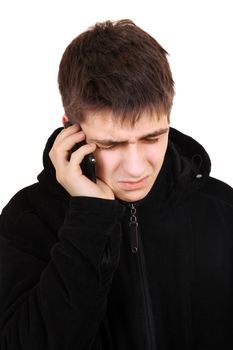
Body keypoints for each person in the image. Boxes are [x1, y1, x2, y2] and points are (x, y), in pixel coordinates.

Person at [0, 19, 233, 350]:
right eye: (110, 145)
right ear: (71, 129)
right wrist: (89, 220)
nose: (136, 168)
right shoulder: (28, 220)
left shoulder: (223, 209)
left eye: (152, 137)